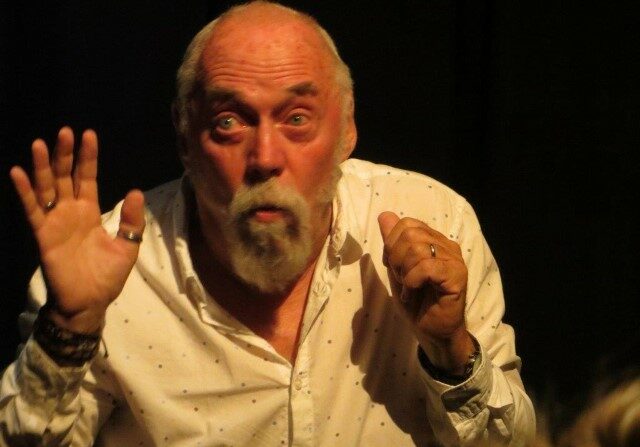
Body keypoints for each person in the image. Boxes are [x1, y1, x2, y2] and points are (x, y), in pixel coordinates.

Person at [1, 1, 535, 445]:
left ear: (347, 128)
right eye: (229, 122)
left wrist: (451, 351)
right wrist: (70, 327)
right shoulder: (104, 271)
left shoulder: (436, 222)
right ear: (185, 136)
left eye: (296, 119)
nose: (264, 158)